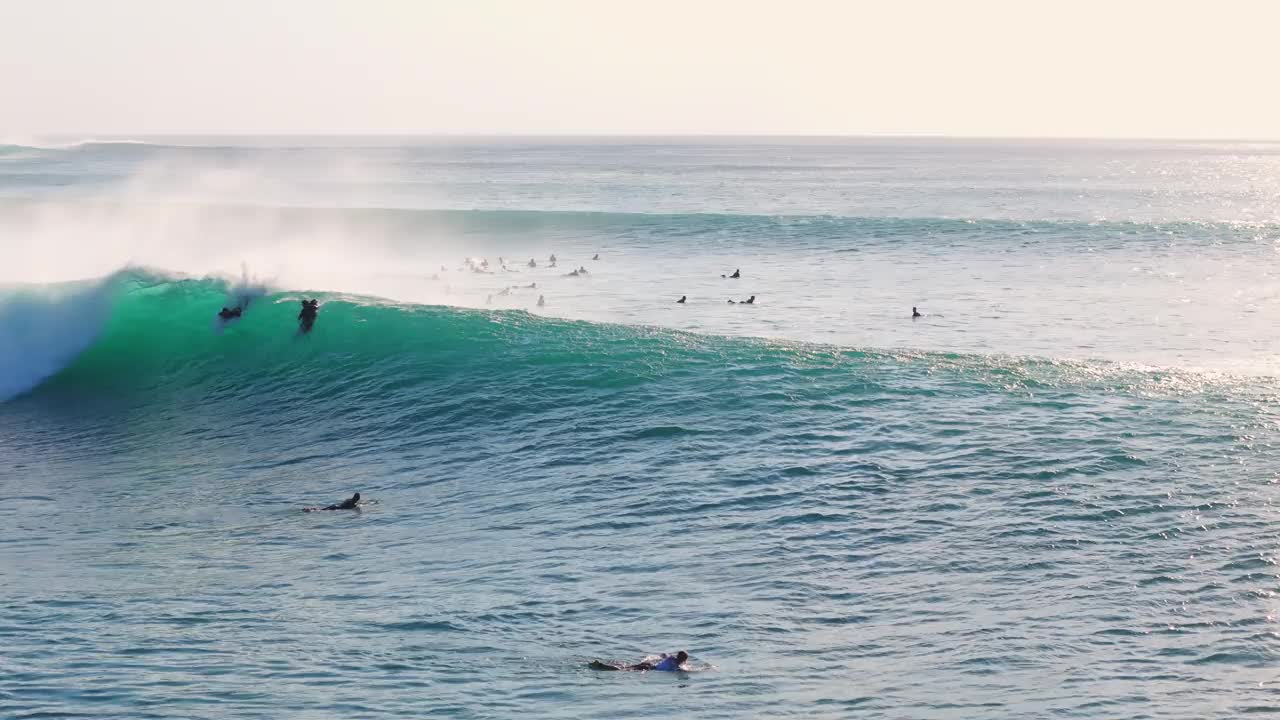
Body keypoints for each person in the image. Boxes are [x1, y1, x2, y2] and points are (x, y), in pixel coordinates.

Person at [589, 651, 689, 672]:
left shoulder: (671, 658)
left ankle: (604, 664)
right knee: (623, 669)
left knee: (626, 666)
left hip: (649, 664)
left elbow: (663, 654)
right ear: (683, 659)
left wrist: (650, 658)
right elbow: (685, 670)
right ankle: (601, 665)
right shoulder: (676, 666)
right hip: (648, 668)